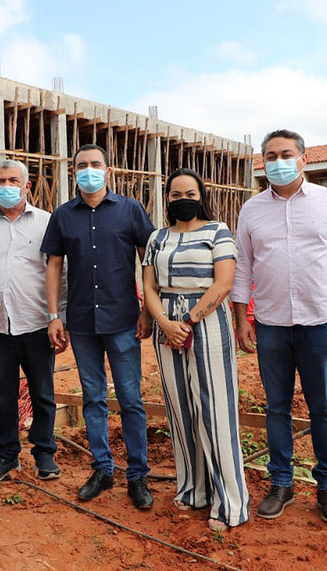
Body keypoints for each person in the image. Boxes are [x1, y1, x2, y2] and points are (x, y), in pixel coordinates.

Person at [231, 129, 327, 525]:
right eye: (271, 156)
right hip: (271, 324)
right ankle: (281, 483)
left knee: (323, 407)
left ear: (304, 158)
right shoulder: (251, 210)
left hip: (319, 321)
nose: (278, 162)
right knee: (276, 407)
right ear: (262, 162)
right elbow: (243, 266)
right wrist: (241, 319)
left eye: (286, 154)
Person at [41, 143, 156, 509]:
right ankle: (103, 469)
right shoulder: (63, 216)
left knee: (131, 399)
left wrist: (147, 309)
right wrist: (53, 315)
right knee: (93, 398)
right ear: (73, 172)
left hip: (123, 320)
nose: (88, 170)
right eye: (81, 165)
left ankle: (137, 475)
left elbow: (148, 260)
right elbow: (54, 266)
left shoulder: (130, 210)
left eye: (95, 164)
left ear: (108, 171)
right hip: (82, 322)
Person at [142, 168, 249, 532]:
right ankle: (193, 490)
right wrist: (165, 323)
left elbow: (224, 283)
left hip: (206, 323)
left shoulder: (218, 231)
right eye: (175, 194)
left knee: (215, 410)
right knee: (180, 409)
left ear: (201, 196)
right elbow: (149, 286)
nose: (182, 199)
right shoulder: (157, 237)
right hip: (166, 325)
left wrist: (187, 321)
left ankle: (229, 502)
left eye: (190, 193)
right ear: (167, 199)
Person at [0, 159, 64, 483]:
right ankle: (5, 456)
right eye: (1, 181)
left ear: (27, 185)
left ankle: (44, 454)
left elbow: (61, 274)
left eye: (13, 180)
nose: (6, 186)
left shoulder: (47, 223)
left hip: (36, 324)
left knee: (42, 393)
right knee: (2, 395)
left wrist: (60, 318)